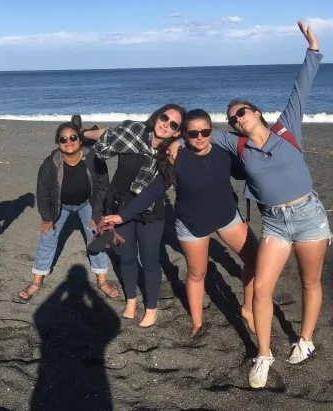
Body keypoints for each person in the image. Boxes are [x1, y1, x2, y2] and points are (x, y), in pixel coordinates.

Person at [168, 21, 332, 388]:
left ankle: (305, 340)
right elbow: (200, 135)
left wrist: (313, 49)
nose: (237, 119)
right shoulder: (235, 144)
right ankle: (264, 354)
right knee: (261, 289)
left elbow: (301, 88)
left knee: (310, 281)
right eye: (232, 118)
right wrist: (175, 141)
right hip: (275, 223)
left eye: (241, 112)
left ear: (256, 112)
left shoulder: (286, 128)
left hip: (308, 215)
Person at [104, 109, 258, 337]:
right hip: (191, 223)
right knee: (197, 273)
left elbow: (248, 170)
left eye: (205, 132)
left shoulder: (224, 153)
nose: (199, 137)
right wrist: (123, 215)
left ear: (211, 132)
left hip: (226, 216)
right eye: (193, 132)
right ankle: (197, 322)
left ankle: (247, 308)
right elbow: (153, 190)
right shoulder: (176, 158)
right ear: (184, 134)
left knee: (256, 259)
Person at [80, 104, 186, 327]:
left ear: (177, 132)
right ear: (157, 116)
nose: (166, 124)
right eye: (164, 117)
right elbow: (109, 135)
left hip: (149, 213)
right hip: (118, 205)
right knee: (127, 258)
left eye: (173, 124)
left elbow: (152, 192)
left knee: (149, 261)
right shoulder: (133, 132)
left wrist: (177, 143)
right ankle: (131, 301)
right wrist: (83, 134)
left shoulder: (171, 154)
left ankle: (151, 309)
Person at [19, 122, 115, 300]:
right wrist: (48, 219)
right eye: (63, 139)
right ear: (58, 143)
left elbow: (103, 187)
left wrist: (96, 214)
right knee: (47, 237)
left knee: (96, 235)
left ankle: (102, 280)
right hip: (60, 205)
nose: (68, 141)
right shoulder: (50, 164)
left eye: (73, 137)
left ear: (80, 140)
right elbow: (43, 193)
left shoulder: (94, 158)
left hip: (87, 203)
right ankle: (36, 281)